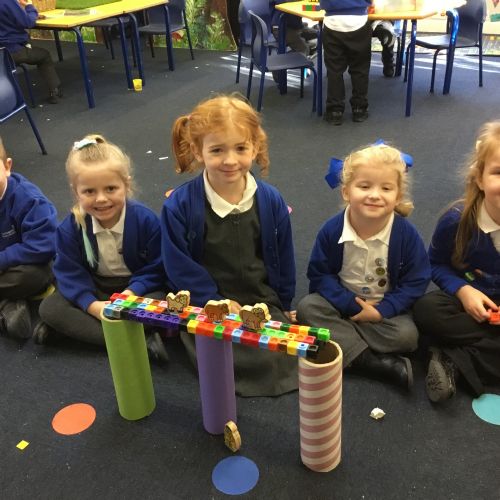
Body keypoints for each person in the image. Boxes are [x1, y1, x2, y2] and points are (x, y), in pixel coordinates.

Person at [161, 94, 297, 397]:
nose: (230, 160)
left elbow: (284, 255)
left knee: (278, 350)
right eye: (217, 150)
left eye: (240, 148)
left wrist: (285, 303)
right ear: (197, 151)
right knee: (217, 349)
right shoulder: (180, 206)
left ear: (255, 147)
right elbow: (178, 265)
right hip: (208, 302)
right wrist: (214, 300)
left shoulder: (270, 200)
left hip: (259, 297)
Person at [297, 143, 430, 390]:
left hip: (385, 310)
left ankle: (345, 345)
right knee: (307, 308)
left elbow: (417, 280)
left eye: (386, 188)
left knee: (408, 336)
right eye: (365, 186)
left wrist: (382, 311)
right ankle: (373, 362)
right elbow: (319, 274)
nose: (375, 195)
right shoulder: (332, 230)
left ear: (398, 196)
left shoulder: (405, 235)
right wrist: (350, 304)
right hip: (341, 305)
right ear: (346, 192)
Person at [35, 134, 168, 363]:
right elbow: (69, 274)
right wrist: (92, 306)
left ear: (126, 185)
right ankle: (137, 341)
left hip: (136, 290)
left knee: (166, 301)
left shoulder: (146, 221)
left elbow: (158, 267)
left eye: (110, 188)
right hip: (96, 288)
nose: (101, 199)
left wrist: (133, 291)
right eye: (89, 191)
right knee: (50, 308)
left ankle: (77, 333)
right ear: (76, 192)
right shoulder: (70, 228)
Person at [414, 121, 500, 403]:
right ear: (480, 178)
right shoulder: (457, 220)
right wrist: (463, 291)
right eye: (499, 172)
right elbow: (434, 265)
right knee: (426, 309)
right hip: (466, 304)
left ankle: (453, 358)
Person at [0, 135, 57, 339]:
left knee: (33, 277)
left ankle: (9, 302)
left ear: (7, 167)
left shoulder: (28, 199)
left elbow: (44, 246)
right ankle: (9, 305)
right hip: (5, 272)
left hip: (29, 264)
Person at [320, 0, 372, 125]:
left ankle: (334, 111)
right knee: (360, 68)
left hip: (332, 21)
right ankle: (359, 109)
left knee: (334, 70)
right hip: (359, 20)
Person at [0, 0, 62, 104]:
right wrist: (30, 7)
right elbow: (27, 22)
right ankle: (55, 92)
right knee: (44, 55)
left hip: (3, 50)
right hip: (11, 51)